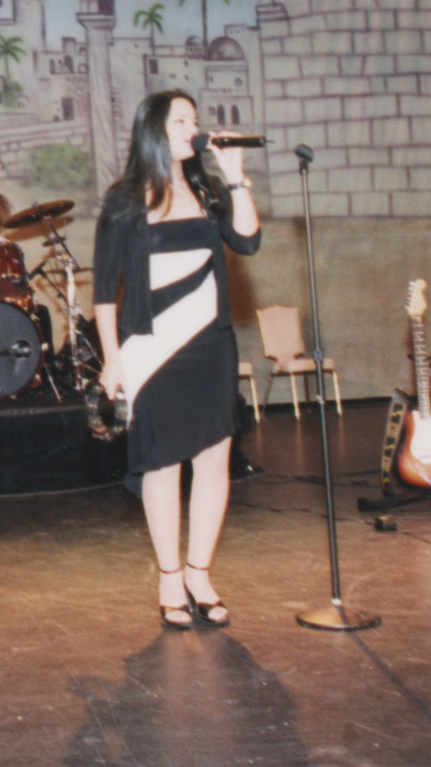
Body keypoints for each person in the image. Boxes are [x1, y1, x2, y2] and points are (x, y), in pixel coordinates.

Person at [94, 92, 259, 629]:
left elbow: (247, 242)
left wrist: (235, 178)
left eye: (194, 118)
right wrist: (111, 360)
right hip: (151, 344)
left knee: (214, 460)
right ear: (154, 131)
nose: (193, 127)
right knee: (162, 463)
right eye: (180, 120)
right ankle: (169, 579)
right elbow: (102, 291)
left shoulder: (209, 191)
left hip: (210, 342)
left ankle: (199, 573)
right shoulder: (123, 198)